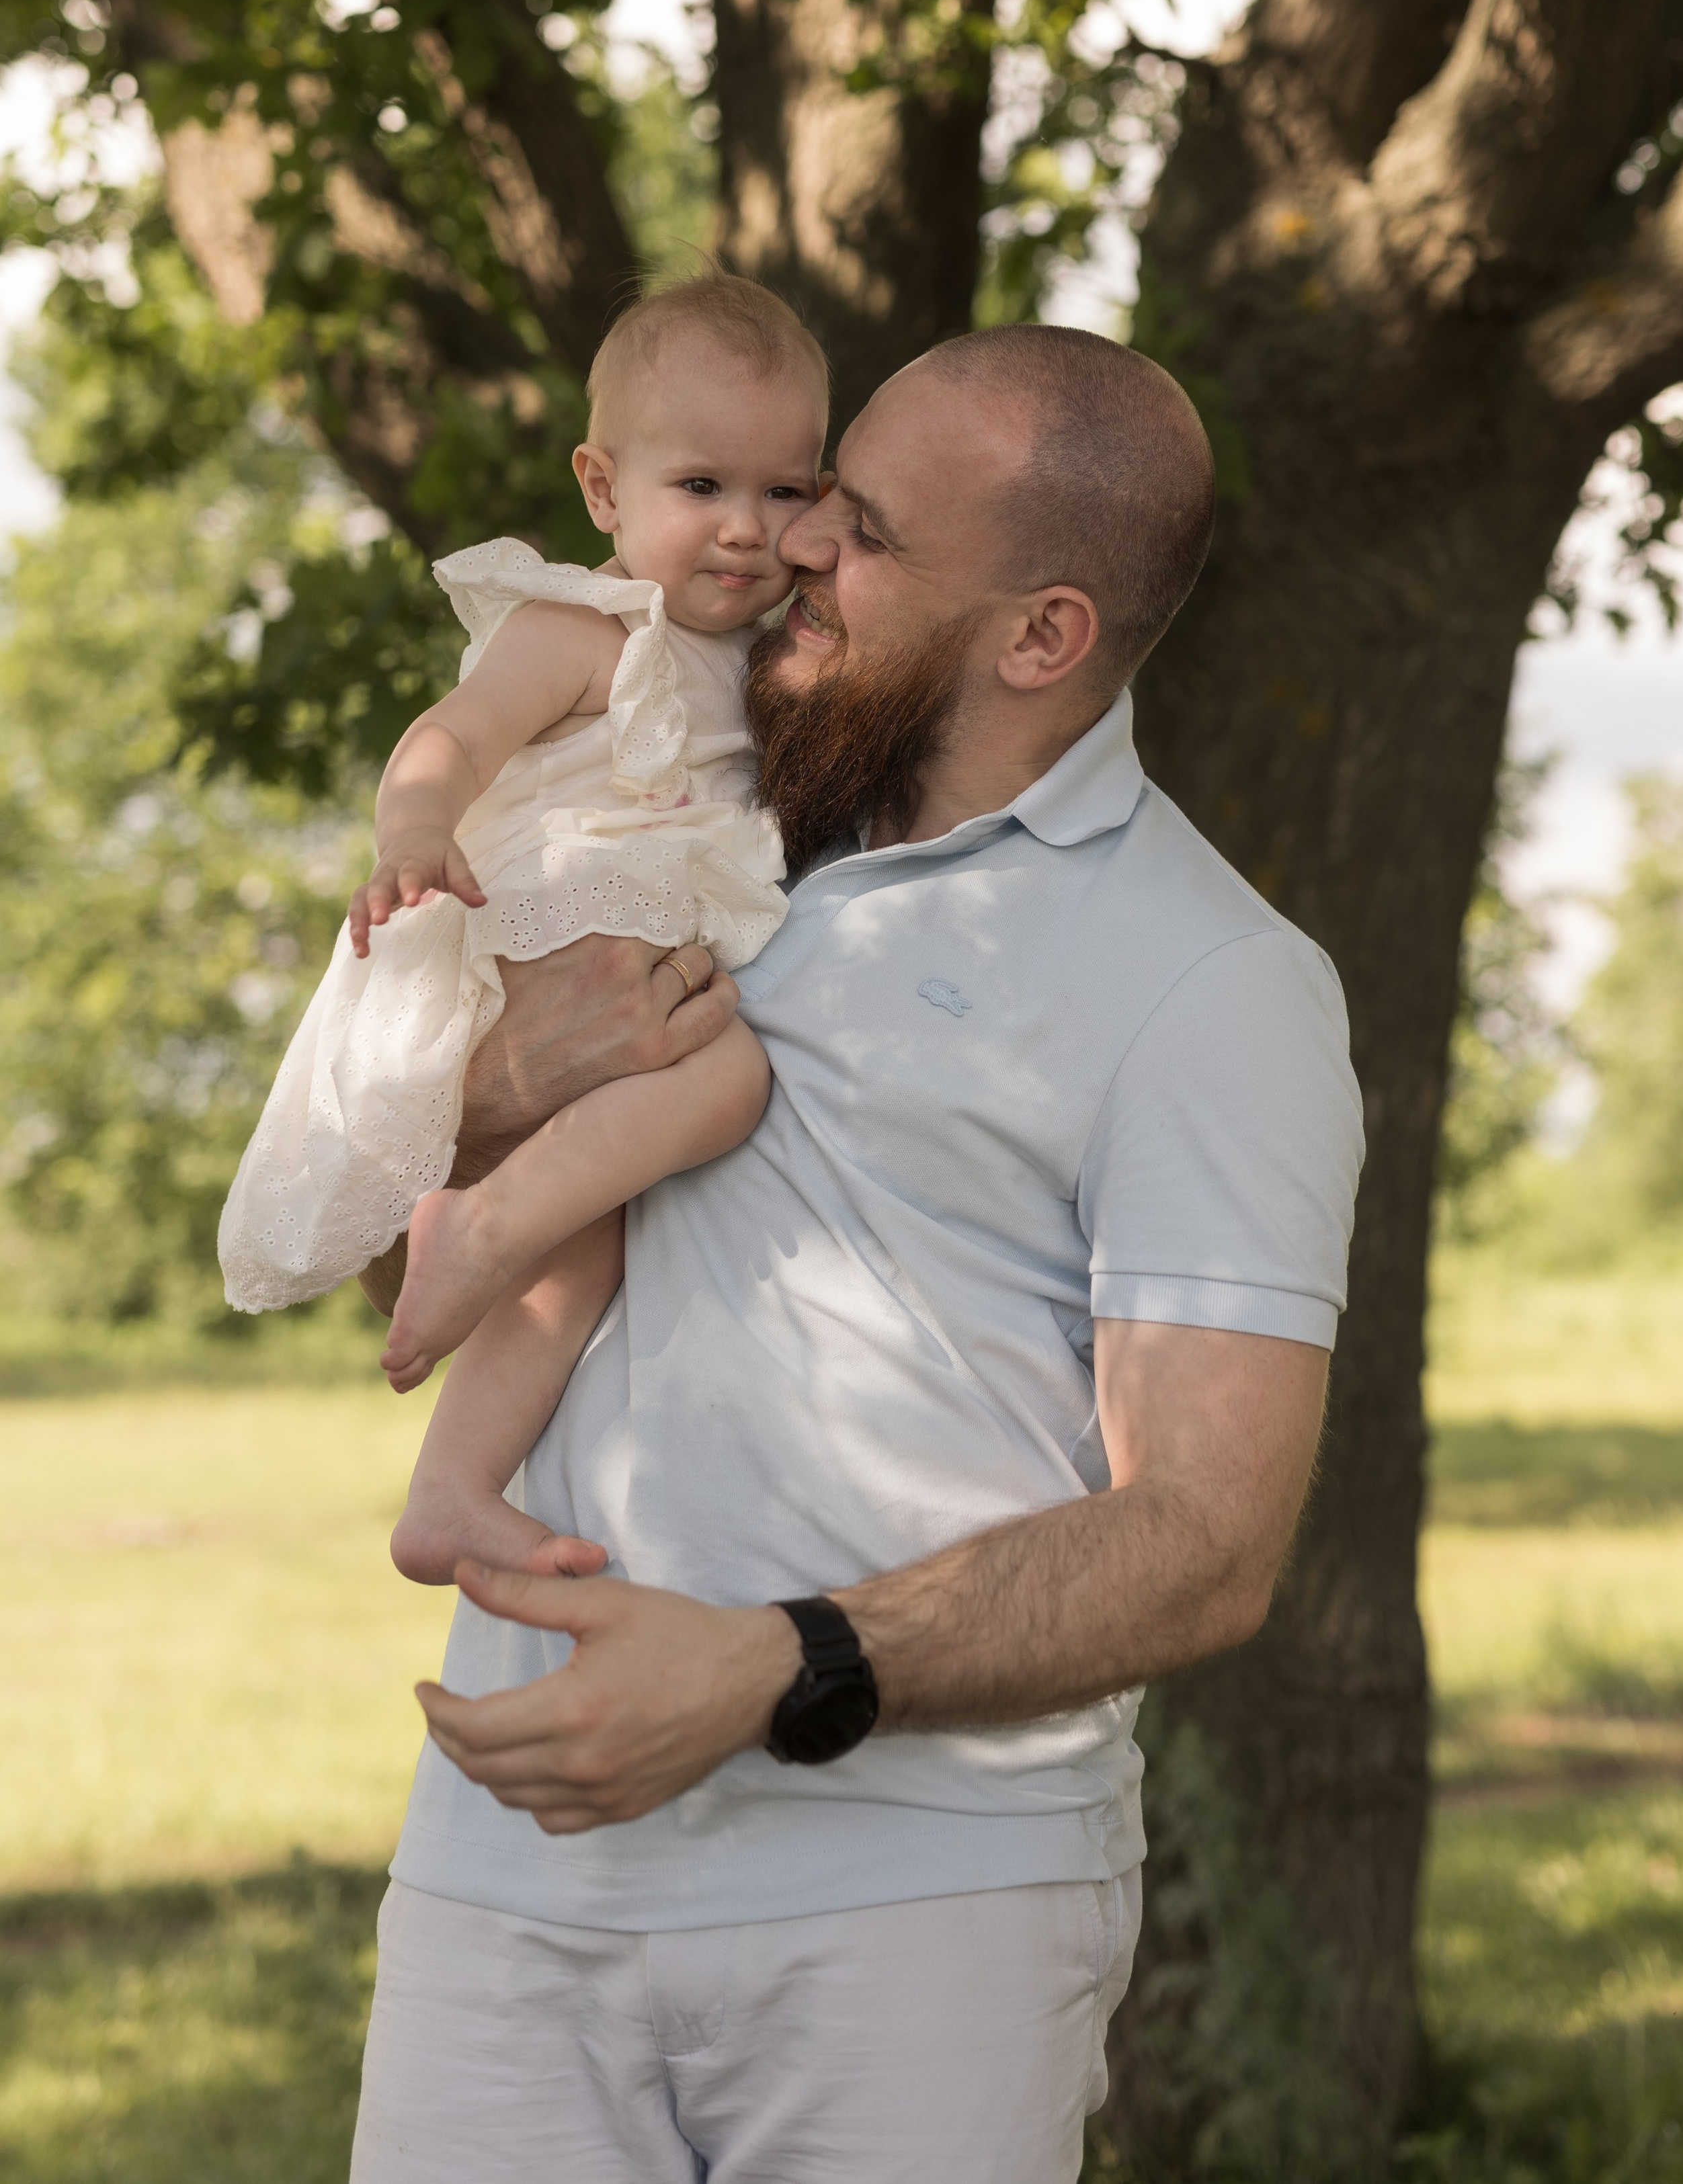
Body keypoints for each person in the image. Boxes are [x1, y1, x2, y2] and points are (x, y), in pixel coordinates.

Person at [350, 324, 1366, 2184]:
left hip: (923, 1915)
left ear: (1041, 634)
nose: (794, 537)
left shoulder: (1215, 985)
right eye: (816, 488)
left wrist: (774, 1662)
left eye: (866, 525)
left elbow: (1208, 1535)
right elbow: (400, 1300)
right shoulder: (657, 809)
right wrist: (496, 1092)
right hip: (512, 1884)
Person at [218, 273, 826, 1582]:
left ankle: (448, 1487)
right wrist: (413, 835)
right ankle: (475, 1229)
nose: (744, 529)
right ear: (603, 491)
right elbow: (453, 734)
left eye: (785, 490)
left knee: (586, 1239)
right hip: (551, 914)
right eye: (701, 486)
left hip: (628, 939)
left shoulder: (777, 651)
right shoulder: (586, 622)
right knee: (730, 1074)